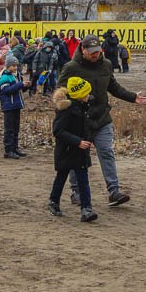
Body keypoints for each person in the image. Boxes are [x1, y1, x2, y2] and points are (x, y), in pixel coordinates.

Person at [58, 35, 145, 207]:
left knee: (106, 152)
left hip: (102, 118)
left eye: (97, 51)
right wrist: (67, 113)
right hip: (80, 120)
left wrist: (132, 97)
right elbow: (60, 93)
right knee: (78, 157)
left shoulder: (106, 64)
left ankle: (114, 191)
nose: (95, 55)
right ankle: (77, 191)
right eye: (91, 52)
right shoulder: (71, 68)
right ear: (82, 50)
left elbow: (113, 86)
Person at [49, 76, 98, 222]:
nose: (89, 95)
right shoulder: (66, 110)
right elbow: (58, 131)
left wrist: (89, 139)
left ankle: (86, 209)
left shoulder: (84, 107)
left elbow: (86, 126)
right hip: (66, 150)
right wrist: (77, 142)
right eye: (86, 93)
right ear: (80, 95)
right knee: (61, 177)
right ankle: (54, 201)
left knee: (83, 180)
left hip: (80, 150)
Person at [0, 63, 25, 159]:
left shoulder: (15, 76)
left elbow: (18, 89)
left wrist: (25, 86)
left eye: (16, 65)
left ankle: (15, 148)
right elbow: (6, 90)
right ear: (8, 66)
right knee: (9, 129)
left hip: (16, 105)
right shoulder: (4, 77)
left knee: (15, 128)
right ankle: (8, 150)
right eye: (13, 65)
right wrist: (20, 85)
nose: (15, 67)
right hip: (9, 106)